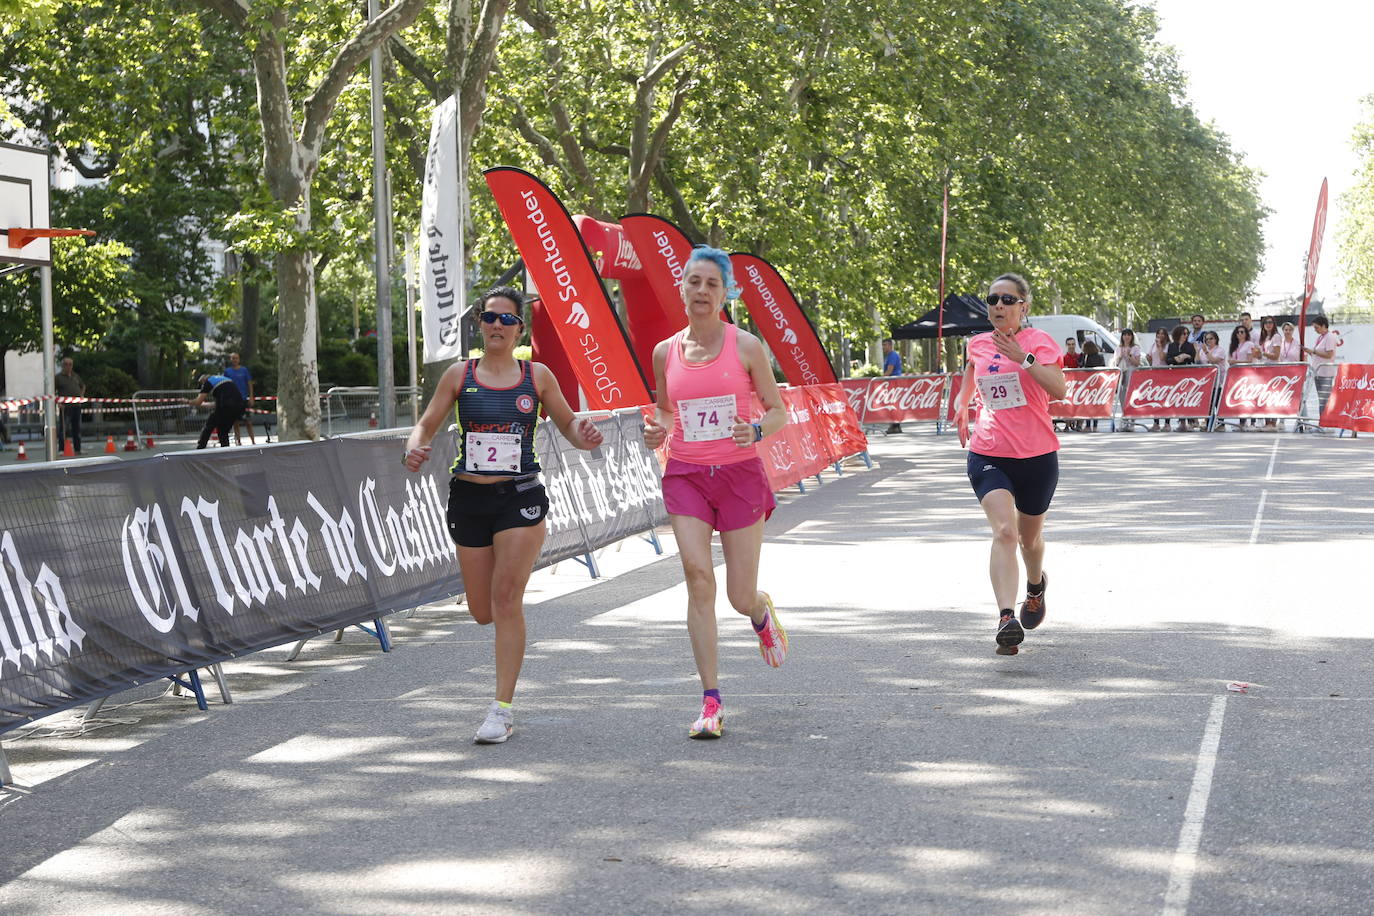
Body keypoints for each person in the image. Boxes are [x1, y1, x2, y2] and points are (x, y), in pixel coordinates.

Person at [402, 285, 604, 744]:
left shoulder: (538, 376)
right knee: (482, 611)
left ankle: (501, 709)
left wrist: (584, 432)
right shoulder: (460, 375)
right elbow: (425, 425)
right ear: (479, 323)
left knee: (507, 598)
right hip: (469, 500)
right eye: (490, 317)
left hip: (520, 497)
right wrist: (413, 451)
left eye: (507, 319)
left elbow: (570, 425)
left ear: (519, 329)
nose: (497, 325)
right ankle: (502, 688)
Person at [642, 247, 789, 739]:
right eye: (693, 282)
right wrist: (658, 432)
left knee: (737, 594)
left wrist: (757, 430)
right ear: (681, 289)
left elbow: (777, 410)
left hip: (739, 476)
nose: (701, 291)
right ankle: (710, 701)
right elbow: (664, 411)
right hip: (686, 475)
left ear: (725, 294)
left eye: (711, 284)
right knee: (697, 577)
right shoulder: (665, 352)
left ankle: (759, 611)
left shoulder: (745, 346)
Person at [954, 273, 1066, 657]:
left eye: (1007, 299)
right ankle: (1006, 618)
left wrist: (1024, 358)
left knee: (1030, 540)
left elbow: (1059, 388)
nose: (998, 306)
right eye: (992, 300)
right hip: (988, 452)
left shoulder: (1039, 342)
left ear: (1024, 306)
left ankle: (1035, 587)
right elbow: (972, 370)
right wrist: (961, 404)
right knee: (1004, 531)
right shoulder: (979, 344)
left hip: (1037, 455)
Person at [190, 372, 247, 449]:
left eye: (201, 385)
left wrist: (187, 401)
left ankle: (200, 448)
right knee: (223, 430)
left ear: (204, 380)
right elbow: (217, 403)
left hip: (226, 405)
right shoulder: (224, 380)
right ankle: (225, 450)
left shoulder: (208, 382)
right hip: (239, 405)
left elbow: (198, 402)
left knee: (209, 425)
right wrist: (206, 404)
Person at [1304, 316, 1340, 427]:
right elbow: (1319, 354)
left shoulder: (1330, 337)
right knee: (1322, 399)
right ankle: (1323, 423)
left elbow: (1329, 354)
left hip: (1325, 373)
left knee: (1324, 400)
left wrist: (1313, 351)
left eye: (1317, 327)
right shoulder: (1321, 337)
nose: (1315, 329)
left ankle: (1326, 423)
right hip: (1318, 372)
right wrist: (1310, 352)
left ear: (1324, 326)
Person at [1165, 326, 1197, 430]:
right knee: (1178, 397)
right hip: (1176, 374)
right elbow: (1168, 359)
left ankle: (1190, 422)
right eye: (1183, 333)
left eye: (1187, 333)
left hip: (1187, 374)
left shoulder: (1189, 345)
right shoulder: (1172, 345)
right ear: (1178, 334)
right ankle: (1181, 422)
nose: (1185, 336)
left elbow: (1193, 358)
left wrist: (1185, 356)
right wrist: (1176, 359)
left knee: (1188, 397)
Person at [1196, 330, 1228, 431]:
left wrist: (1206, 351)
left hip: (1218, 381)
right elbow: (1197, 361)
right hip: (1207, 381)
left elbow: (1214, 360)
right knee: (1208, 403)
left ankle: (1221, 424)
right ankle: (1209, 423)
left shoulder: (1220, 350)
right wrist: (1197, 351)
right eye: (1207, 339)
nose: (1209, 341)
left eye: (1211, 338)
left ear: (1216, 339)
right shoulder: (1202, 350)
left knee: (1217, 402)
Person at [54, 357, 85, 454]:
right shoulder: (58, 377)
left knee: (77, 428)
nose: (68, 366)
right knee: (64, 428)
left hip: (76, 405)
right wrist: (58, 402)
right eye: (66, 364)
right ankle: (61, 449)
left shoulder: (75, 376)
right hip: (66, 407)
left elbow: (83, 385)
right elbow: (53, 391)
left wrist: (81, 396)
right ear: (62, 365)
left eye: (70, 364)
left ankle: (77, 449)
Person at [223, 352, 256, 445]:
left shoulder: (244, 370)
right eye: (233, 358)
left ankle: (253, 441)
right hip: (232, 400)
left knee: (248, 421)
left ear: (239, 359)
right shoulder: (227, 371)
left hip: (244, 399)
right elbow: (225, 385)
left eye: (236, 358)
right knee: (235, 421)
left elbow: (249, 384)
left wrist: (251, 397)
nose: (235, 360)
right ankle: (238, 441)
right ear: (230, 359)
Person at [1114, 329, 1142, 431]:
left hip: (1131, 372)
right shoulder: (1118, 348)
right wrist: (1120, 355)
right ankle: (1124, 421)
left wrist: (1130, 355)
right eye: (1125, 335)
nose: (1127, 337)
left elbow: (1137, 363)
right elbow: (1115, 362)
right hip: (1122, 373)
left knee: (1130, 396)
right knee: (1122, 397)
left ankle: (1131, 423)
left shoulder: (1135, 348)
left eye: (1129, 335)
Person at [1146, 328, 1171, 430]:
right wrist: (1149, 358)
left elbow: (1162, 358)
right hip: (1154, 373)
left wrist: (1160, 346)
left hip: (1164, 373)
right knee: (1155, 399)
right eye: (1158, 333)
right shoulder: (1153, 345)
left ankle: (1167, 423)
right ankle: (1156, 423)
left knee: (1166, 398)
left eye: (1162, 334)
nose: (1160, 335)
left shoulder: (1168, 346)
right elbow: (1150, 358)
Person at [881, 337, 904, 434]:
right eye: (883, 345)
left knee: (893, 404)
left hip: (894, 382)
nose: (883, 347)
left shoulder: (892, 355)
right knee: (892, 403)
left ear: (890, 345)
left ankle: (895, 425)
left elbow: (890, 370)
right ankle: (895, 426)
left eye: (885, 345)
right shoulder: (889, 356)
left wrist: (881, 379)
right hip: (892, 382)